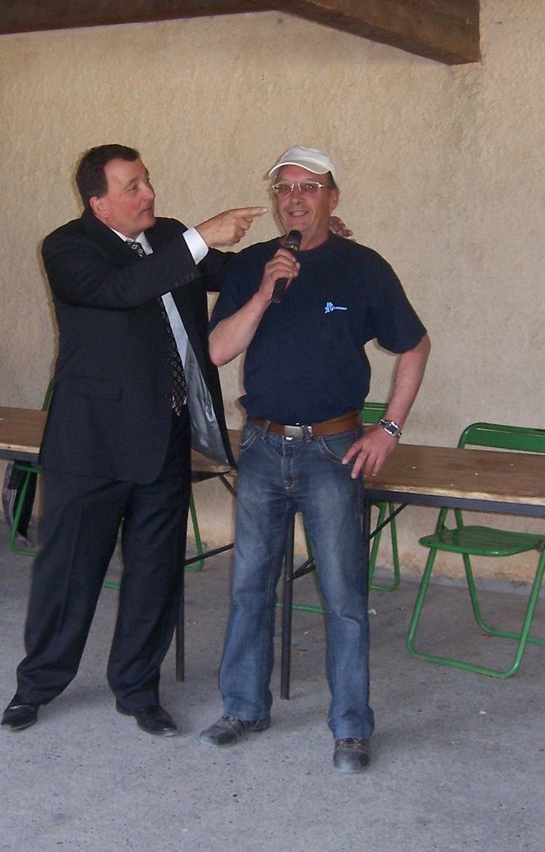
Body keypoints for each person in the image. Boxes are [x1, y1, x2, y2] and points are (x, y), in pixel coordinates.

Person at [1, 144, 264, 737]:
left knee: (155, 574)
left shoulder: (168, 237)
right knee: (69, 572)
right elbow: (123, 290)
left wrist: (303, 243)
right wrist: (199, 238)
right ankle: (37, 684)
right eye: (132, 187)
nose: (148, 194)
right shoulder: (68, 247)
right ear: (98, 203)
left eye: (148, 181)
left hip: (165, 438)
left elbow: (238, 271)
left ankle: (139, 689)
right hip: (91, 445)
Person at [198, 146, 431, 773]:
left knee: (344, 595)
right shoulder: (252, 266)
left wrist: (388, 428)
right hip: (263, 447)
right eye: (284, 189)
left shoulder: (364, 268)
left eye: (309, 187)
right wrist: (266, 290)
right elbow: (217, 352)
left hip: (334, 451)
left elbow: (414, 346)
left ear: (333, 198)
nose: (294, 198)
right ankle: (244, 707)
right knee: (250, 586)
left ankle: (351, 727)